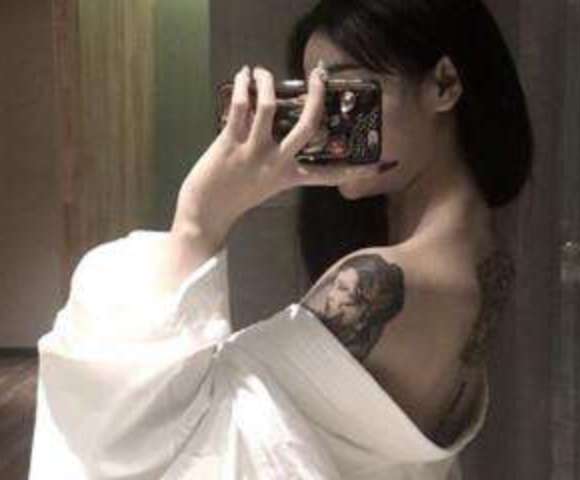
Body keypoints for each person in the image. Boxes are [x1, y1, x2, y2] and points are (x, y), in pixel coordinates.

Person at [29, 0, 530, 478]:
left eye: (346, 94)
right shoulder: (487, 259)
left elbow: (171, 444)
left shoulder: (376, 281)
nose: (319, 123)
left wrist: (199, 222)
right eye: (311, 98)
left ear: (443, 84)